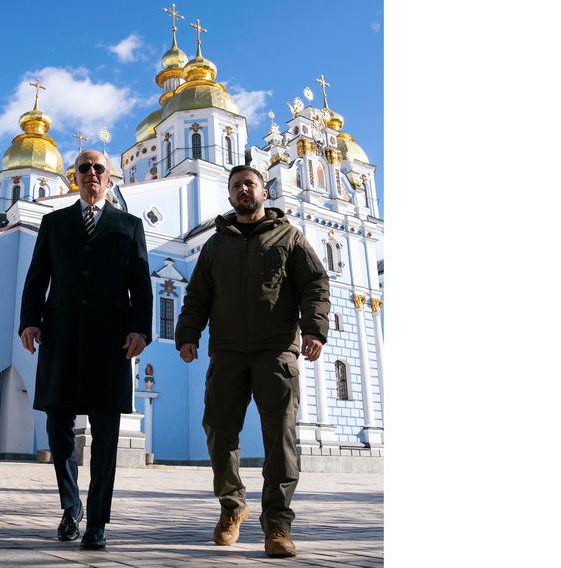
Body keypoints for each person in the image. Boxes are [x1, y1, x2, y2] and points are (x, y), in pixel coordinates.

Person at [175, 164, 330, 559]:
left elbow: (314, 283)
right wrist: (188, 335)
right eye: (236, 186)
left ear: (264, 192)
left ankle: (277, 524)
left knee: (280, 436)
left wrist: (313, 329)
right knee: (218, 430)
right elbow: (197, 296)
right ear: (229, 197)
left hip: (275, 349)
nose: (243, 190)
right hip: (227, 351)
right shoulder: (215, 244)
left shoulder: (288, 236)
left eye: (250, 183)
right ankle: (232, 507)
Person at [18, 150, 152, 550]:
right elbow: (37, 275)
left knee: (107, 433)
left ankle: (98, 521)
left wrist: (140, 330)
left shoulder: (129, 226)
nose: (91, 174)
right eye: (84, 169)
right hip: (60, 336)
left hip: (111, 342)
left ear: (109, 178)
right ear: (73, 177)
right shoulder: (53, 223)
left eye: (99, 169)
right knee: (57, 426)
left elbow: (141, 283)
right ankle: (70, 506)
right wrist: (30, 320)